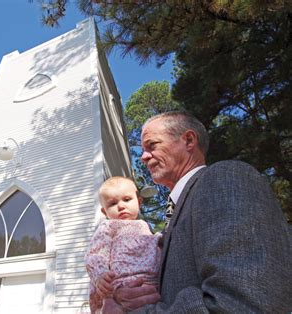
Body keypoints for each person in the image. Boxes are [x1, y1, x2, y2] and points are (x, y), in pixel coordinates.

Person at [110, 111, 291, 312]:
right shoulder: (178, 212)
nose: (143, 157)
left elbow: (241, 304)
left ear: (188, 140)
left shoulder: (226, 178)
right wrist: (125, 296)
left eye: (152, 145)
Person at [85, 177, 162, 313]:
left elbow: (153, 245)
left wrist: (160, 239)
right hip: (119, 284)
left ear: (139, 202)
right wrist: (100, 274)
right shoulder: (109, 226)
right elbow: (96, 253)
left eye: (127, 199)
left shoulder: (144, 226)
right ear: (105, 212)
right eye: (113, 203)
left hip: (151, 284)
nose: (121, 206)